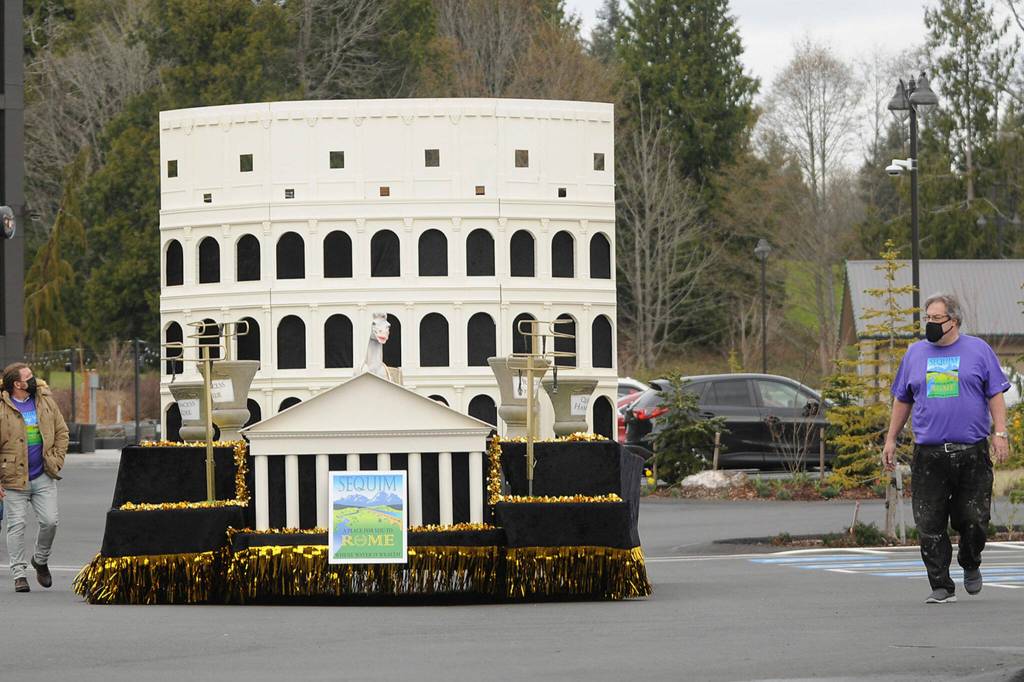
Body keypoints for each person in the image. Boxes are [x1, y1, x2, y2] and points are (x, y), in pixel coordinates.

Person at [883, 293, 1011, 604]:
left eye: (936, 318)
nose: (929, 323)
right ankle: (941, 585)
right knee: (929, 522)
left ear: (953, 321)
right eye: (926, 318)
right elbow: (903, 399)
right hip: (929, 454)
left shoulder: (978, 350)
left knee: (975, 518)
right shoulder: (914, 354)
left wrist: (1000, 433)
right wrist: (890, 438)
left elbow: (995, 394)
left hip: (972, 451)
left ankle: (970, 561)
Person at [0, 363, 69, 593]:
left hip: (43, 475)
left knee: (50, 521)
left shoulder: (44, 399)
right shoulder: (2, 406)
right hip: (13, 479)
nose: (33, 379)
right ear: (16, 384)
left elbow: (62, 431)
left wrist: (56, 460)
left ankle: (40, 560)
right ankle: (19, 574)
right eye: (27, 376)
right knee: (16, 526)